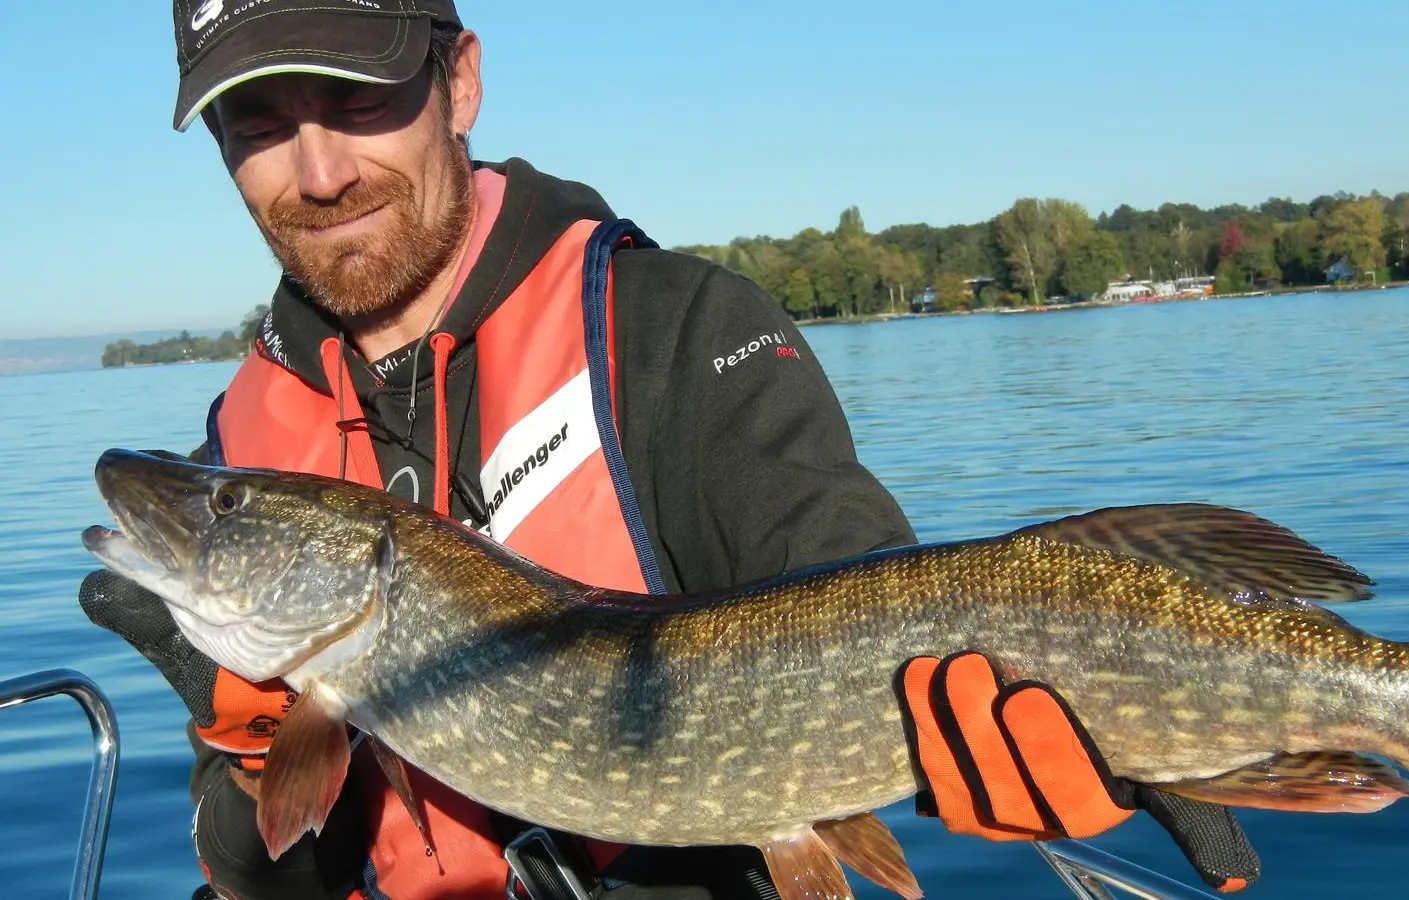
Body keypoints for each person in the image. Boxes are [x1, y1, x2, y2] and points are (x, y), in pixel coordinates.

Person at [78, 3, 1259, 899]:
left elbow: (850, 567)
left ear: (460, 79)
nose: (321, 171)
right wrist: (243, 745)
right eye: (260, 123)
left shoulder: (673, 331)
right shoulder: (249, 437)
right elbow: (263, 877)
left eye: (360, 98)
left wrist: (1022, 693)